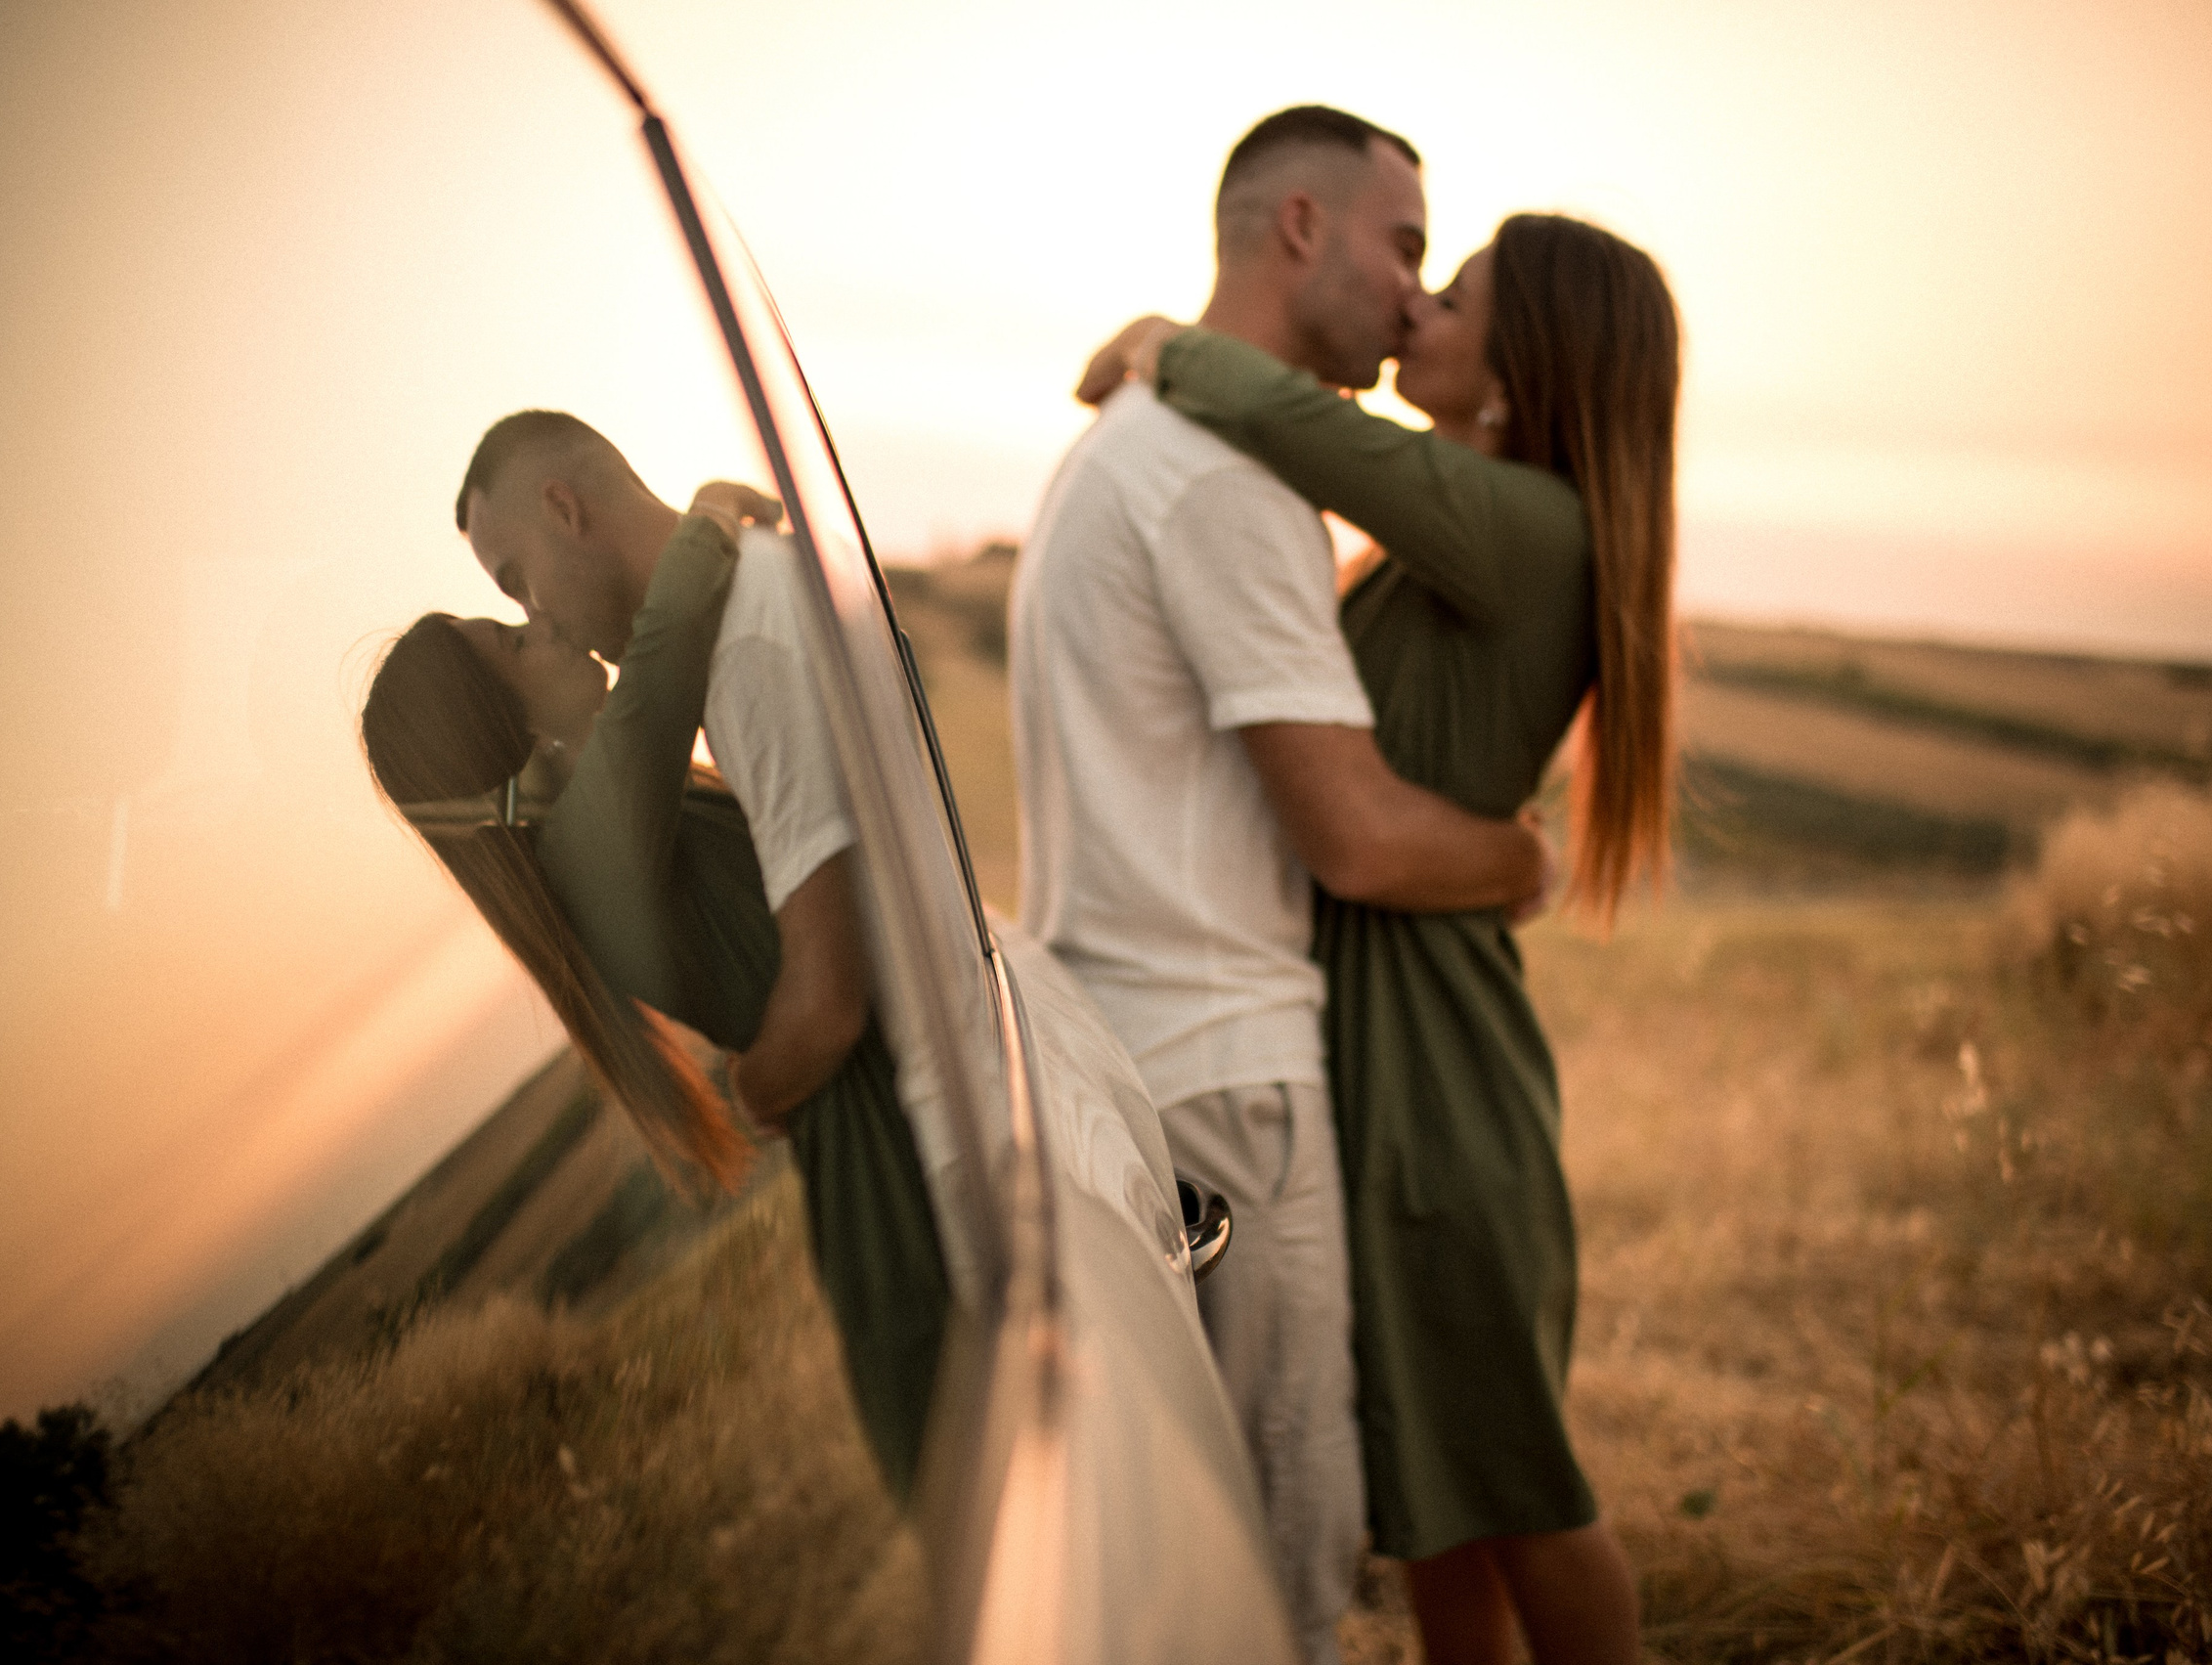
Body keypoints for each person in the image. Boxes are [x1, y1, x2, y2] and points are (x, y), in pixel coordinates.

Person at [1078, 210, 1680, 1665]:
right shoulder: (1467, 532)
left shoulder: (1528, 523)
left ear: (1521, 360)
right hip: (1387, 1056)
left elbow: (1298, 424)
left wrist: (1171, 343)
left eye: (1454, 292)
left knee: (1524, 1485)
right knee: (1435, 1493)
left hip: (1438, 1086)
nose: (1416, 309)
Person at [1008, 106, 1549, 1665]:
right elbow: (1359, 836)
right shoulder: (1230, 488)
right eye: (1402, 248)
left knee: (1179, 1568)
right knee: (1272, 1579)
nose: (1414, 295)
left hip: (1133, 1071)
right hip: (1232, 1095)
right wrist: (1524, 855)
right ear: (1298, 226)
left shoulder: (1118, 446)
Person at [360, 460, 949, 1500]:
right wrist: (713, 508)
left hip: (907, 1129)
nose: (541, 625)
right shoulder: (593, 851)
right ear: (499, 727)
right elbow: (671, 636)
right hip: (890, 1181)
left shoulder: (638, 809)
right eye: (506, 636)